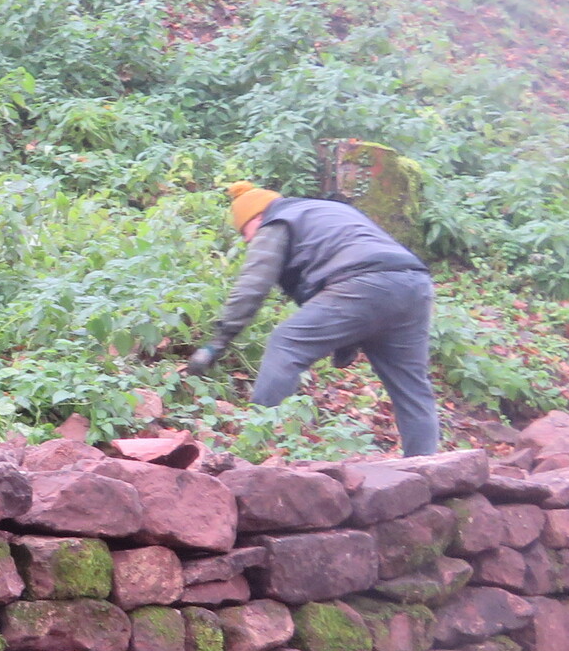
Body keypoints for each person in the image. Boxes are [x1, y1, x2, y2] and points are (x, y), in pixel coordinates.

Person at [186, 180, 442, 456]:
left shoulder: (276, 222)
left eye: (244, 232)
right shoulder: (322, 211)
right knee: (411, 389)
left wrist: (218, 342)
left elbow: (253, 285)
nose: (247, 240)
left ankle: (253, 444)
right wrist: (347, 342)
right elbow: (339, 262)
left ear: (256, 218)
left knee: (286, 343)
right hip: (414, 284)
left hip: (364, 283)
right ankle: (425, 467)